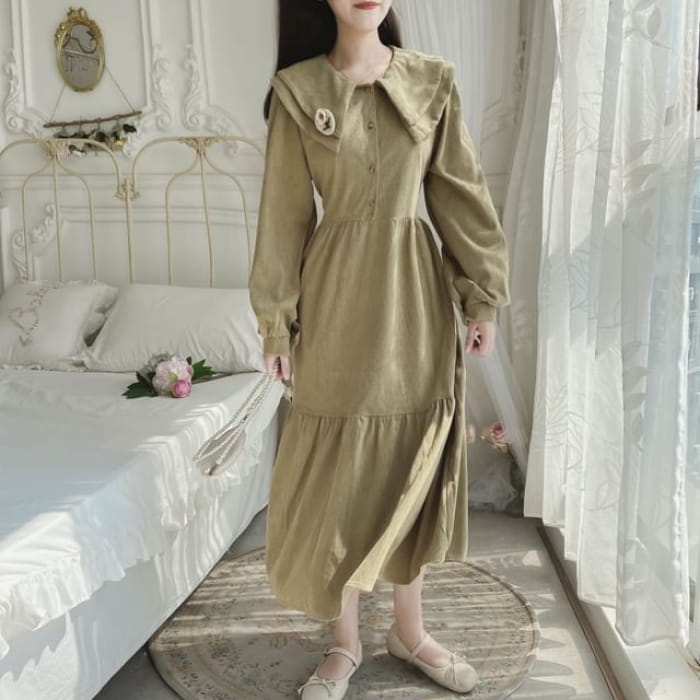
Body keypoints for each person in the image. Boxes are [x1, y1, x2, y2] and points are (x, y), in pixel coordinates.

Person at [249, 0, 511, 697]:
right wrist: (277, 324)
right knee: (338, 476)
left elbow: (460, 194)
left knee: (409, 461)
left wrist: (480, 295)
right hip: (334, 304)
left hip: (414, 302)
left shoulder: (432, 82)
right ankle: (343, 643)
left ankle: (409, 631)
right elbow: (283, 217)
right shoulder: (298, 91)